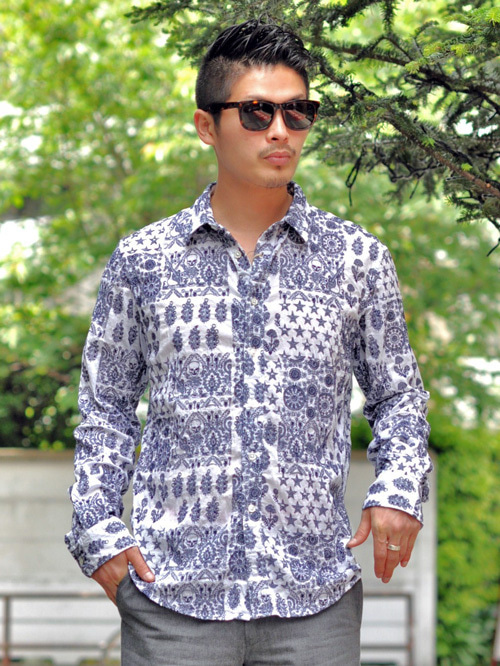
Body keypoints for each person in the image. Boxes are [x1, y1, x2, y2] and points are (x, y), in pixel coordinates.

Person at [66, 18, 432, 666]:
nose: (281, 130)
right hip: (170, 601)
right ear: (207, 125)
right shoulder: (143, 260)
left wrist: (399, 488)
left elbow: (399, 396)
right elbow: (105, 407)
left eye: (298, 112)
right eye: (258, 112)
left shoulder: (358, 260)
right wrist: (97, 528)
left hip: (314, 604)